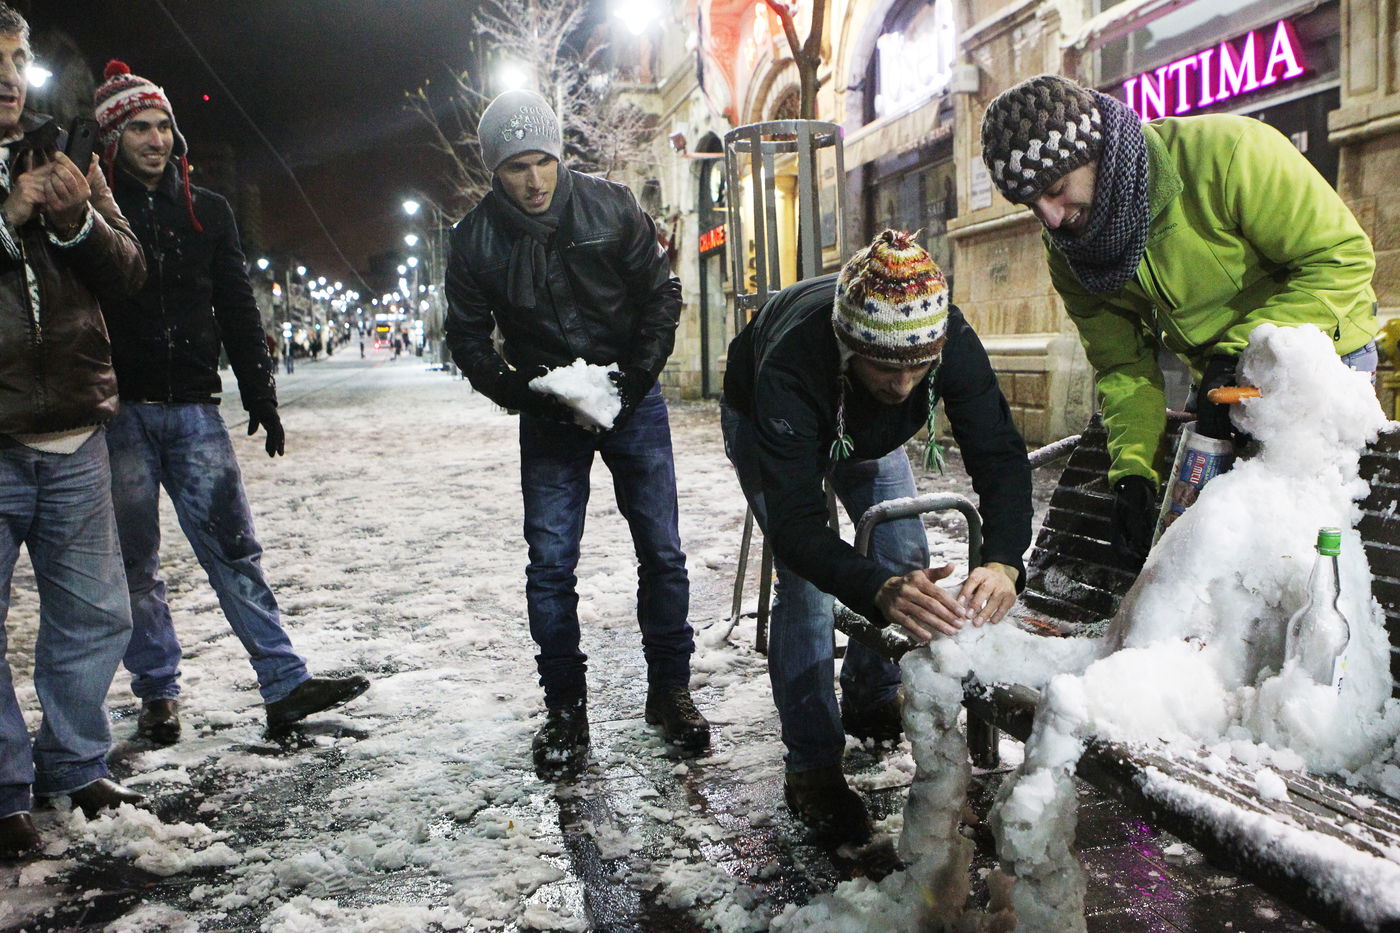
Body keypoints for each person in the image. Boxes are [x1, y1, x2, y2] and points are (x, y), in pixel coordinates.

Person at [979, 74, 1379, 565]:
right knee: (1210, 542)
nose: (1052, 218)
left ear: (1099, 152)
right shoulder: (1070, 252)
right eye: (1030, 205)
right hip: (1216, 378)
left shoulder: (1229, 152)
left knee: (1307, 538)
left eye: (1057, 189)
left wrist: (1239, 354)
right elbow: (1123, 366)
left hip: (1322, 358)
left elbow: (1340, 259)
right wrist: (1132, 471)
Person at [721, 231, 1032, 845]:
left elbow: (997, 451)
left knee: (905, 551)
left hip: (865, 433)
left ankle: (869, 693)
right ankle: (811, 766)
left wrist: (1002, 560)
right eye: (887, 368)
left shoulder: (948, 338)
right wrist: (878, 589)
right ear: (849, 345)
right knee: (809, 589)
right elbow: (798, 528)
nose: (903, 385)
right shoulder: (794, 363)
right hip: (773, 419)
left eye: (919, 368)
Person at [93, 61, 368, 746]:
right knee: (135, 566)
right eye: (140, 128)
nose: (156, 140)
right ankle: (158, 693)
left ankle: (283, 682)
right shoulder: (95, 212)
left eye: (163, 127)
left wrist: (262, 393)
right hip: (118, 412)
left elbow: (238, 309)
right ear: (112, 138)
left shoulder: (207, 210)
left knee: (234, 549)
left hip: (194, 410)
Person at [445, 89, 707, 778]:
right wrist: (522, 393)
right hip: (550, 411)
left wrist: (637, 378)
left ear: (560, 156)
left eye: (543, 162)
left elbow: (661, 292)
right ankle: (565, 707)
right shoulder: (474, 240)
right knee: (551, 565)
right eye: (516, 168)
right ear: (492, 171)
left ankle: (670, 690)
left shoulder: (611, 204)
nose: (534, 181)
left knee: (663, 549)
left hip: (632, 398)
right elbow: (467, 338)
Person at [0, 5, 150, 859]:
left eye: (18, 58)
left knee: (96, 613)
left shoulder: (68, 153)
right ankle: (2, 788)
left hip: (75, 435)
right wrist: (8, 213)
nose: (10, 76)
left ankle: (74, 762)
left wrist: (72, 219)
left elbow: (126, 269)